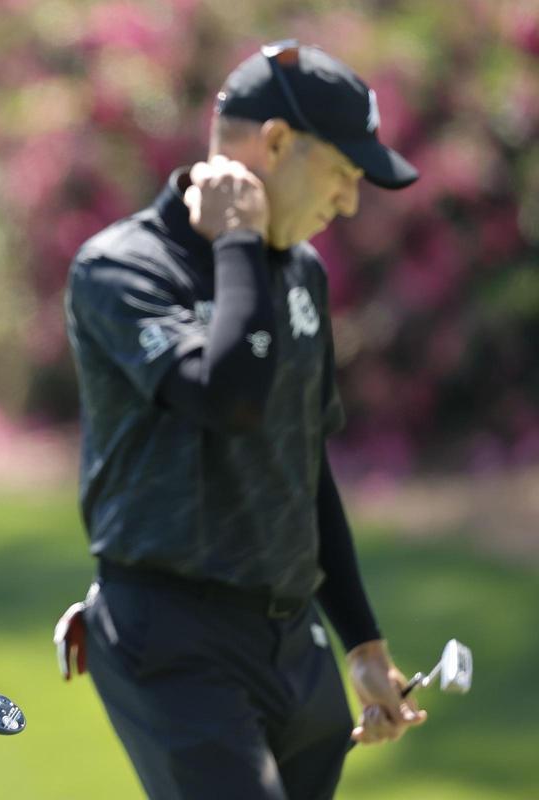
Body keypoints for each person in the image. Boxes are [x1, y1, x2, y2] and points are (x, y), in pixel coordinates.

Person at [60, 41, 426, 799]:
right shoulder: (122, 267)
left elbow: (304, 463)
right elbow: (229, 397)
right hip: (173, 639)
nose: (350, 202)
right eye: (341, 172)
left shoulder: (300, 270)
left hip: (292, 642)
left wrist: (361, 640)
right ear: (278, 143)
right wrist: (236, 241)